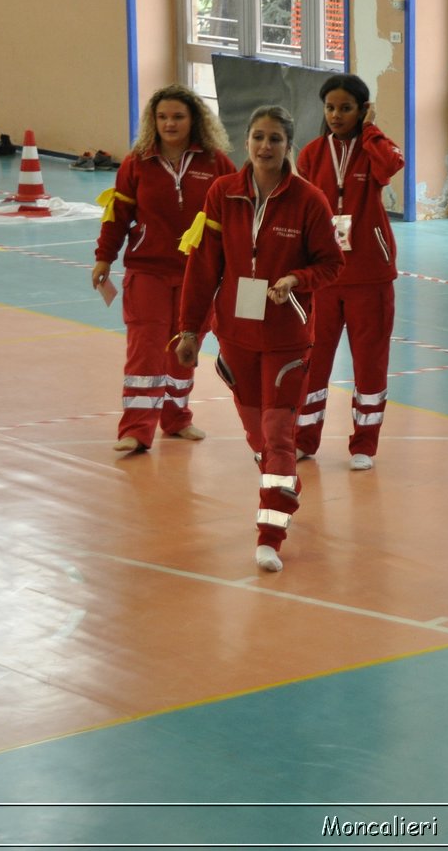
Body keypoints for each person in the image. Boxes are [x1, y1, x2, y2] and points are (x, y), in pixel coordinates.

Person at [175, 107, 344, 571]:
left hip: (288, 337)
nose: (264, 147)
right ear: (245, 142)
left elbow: (331, 264)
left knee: (277, 432)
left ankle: (270, 533)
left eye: (274, 139)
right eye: (257, 137)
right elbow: (204, 267)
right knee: (260, 438)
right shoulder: (222, 193)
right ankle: (283, 479)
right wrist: (190, 330)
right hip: (236, 334)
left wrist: (296, 278)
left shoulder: (309, 200)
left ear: (288, 145)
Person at [92, 84, 236, 453]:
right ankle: (136, 430)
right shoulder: (136, 162)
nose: (169, 124)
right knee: (146, 348)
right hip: (147, 272)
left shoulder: (215, 162)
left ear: (194, 120)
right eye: (162, 117)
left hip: (199, 275)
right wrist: (104, 257)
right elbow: (117, 216)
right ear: (152, 122)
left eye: (177, 117)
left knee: (184, 348)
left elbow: (236, 214)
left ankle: (176, 419)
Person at [293, 74, 404, 471]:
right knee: (313, 359)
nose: (336, 115)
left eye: (346, 108)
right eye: (330, 108)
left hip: (369, 277)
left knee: (370, 361)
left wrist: (371, 129)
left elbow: (391, 166)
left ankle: (364, 444)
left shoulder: (374, 148)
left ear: (362, 109)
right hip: (322, 277)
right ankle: (303, 439)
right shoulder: (310, 154)